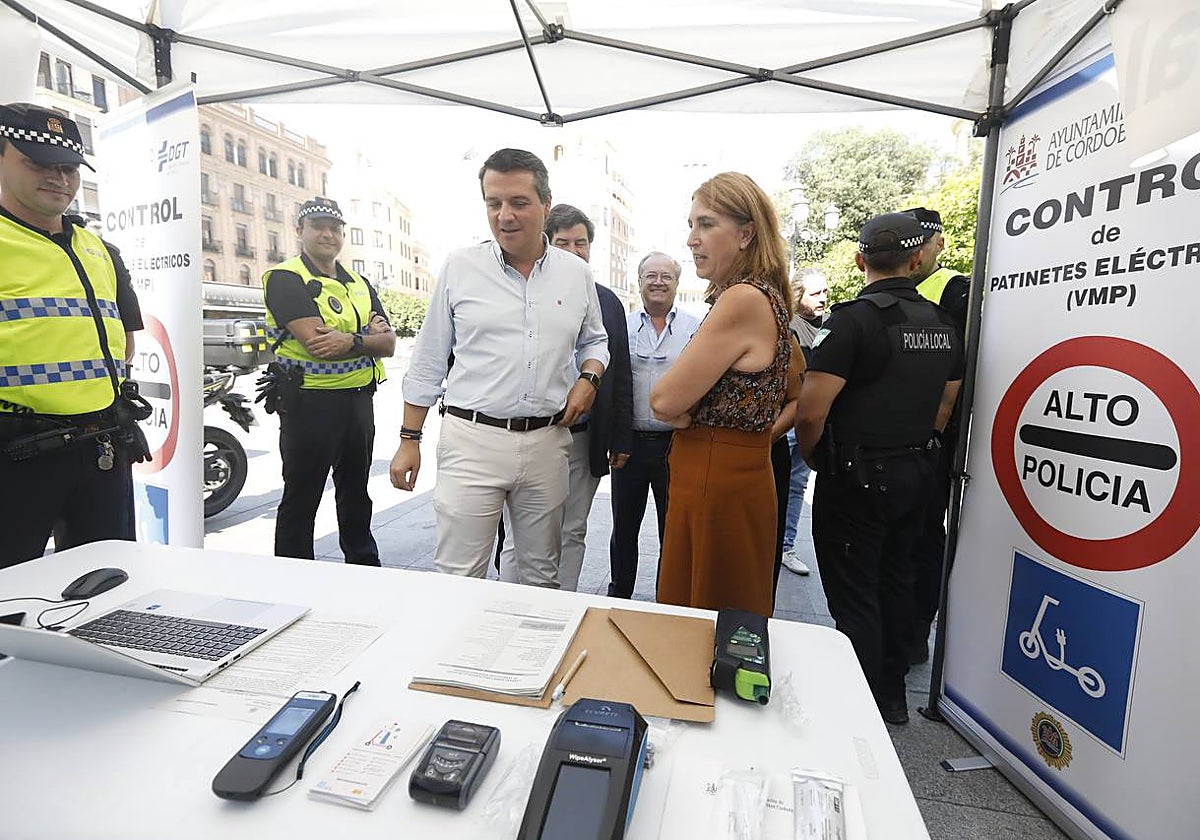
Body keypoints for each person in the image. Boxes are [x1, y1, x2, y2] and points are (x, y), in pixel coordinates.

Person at [391, 149, 608, 587]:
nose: (504, 216)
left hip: (548, 443)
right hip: (472, 440)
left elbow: (595, 340)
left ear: (546, 205)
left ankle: (530, 637)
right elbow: (429, 358)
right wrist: (409, 440)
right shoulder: (460, 266)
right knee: (458, 576)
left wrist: (589, 379)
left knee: (541, 575)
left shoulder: (576, 274)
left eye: (518, 203)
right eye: (494, 203)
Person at [795, 212, 964, 725]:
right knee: (898, 579)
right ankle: (891, 694)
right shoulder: (943, 323)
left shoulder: (851, 321)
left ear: (859, 259)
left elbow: (810, 412)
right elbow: (944, 407)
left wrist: (816, 458)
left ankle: (860, 701)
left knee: (855, 591)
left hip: (858, 476)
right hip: (917, 470)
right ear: (916, 260)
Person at [0, 103, 147, 566]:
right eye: (38, 163)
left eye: (69, 168)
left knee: (109, 581)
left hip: (101, 443)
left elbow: (125, 341)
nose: (58, 178)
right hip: (14, 454)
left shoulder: (100, 249)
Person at [651, 172, 798, 617]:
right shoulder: (769, 298)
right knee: (732, 615)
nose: (692, 239)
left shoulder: (742, 299)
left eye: (706, 224)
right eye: (691, 225)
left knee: (702, 616)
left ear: (746, 233)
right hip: (739, 473)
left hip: (713, 478)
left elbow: (663, 401)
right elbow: (793, 388)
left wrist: (684, 414)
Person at [496, 204, 632, 591]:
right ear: (546, 243)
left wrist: (620, 437)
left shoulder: (607, 302)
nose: (574, 251)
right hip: (530, 435)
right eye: (563, 242)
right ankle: (511, 604)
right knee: (521, 534)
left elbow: (620, 372)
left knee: (573, 529)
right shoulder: (518, 293)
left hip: (584, 438)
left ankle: (563, 605)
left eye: (581, 243)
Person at [262, 196, 396, 565]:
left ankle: (364, 568)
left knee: (356, 494)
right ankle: (294, 576)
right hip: (309, 404)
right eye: (318, 226)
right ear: (299, 231)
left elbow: (388, 344)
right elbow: (319, 345)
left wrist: (350, 340)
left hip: (358, 401)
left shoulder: (359, 283)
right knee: (302, 498)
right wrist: (366, 338)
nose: (328, 234)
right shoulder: (286, 278)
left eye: (335, 228)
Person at [608, 251, 701, 599]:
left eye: (666, 276)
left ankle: (669, 597)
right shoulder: (622, 327)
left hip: (676, 445)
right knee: (624, 527)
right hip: (629, 445)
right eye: (651, 276)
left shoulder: (695, 328)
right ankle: (619, 593)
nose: (658, 282)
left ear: (677, 283)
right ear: (639, 282)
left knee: (673, 529)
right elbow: (614, 385)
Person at [905, 206, 970, 663]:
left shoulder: (955, 291)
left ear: (939, 244)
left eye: (920, 245)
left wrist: (937, 431)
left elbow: (957, 375)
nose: (913, 255)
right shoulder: (895, 288)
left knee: (925, 535)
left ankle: (914, 632)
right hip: (894, 439)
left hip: (931, 439)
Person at [780, 268, 828, 576]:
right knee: (777, 484)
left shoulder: (832, 325)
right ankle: (771, 544)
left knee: (797, 486)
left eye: (825, 292)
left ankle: (786, 546)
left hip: (813, 422)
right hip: (788, 422)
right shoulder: (788, 327)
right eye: (815, 293)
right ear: (798, 295)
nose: (822, 298)